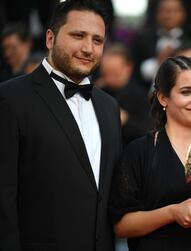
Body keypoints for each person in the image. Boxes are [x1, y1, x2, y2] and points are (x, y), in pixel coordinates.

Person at [0, 1, 121, 250]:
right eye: (78, 35)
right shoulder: (10, 98)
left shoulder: (110, 107)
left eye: (97, 40)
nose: (88, 48)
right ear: (50, 38)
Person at [110, 56, 191, 251]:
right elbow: (121, 226)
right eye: (186, 92)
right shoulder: (140, 151)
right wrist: (172, 213)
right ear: (163, 98)